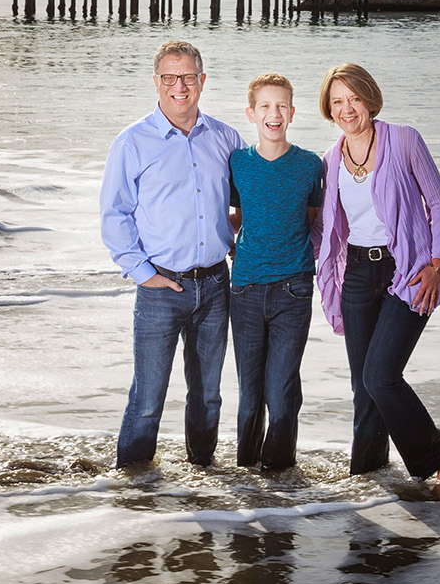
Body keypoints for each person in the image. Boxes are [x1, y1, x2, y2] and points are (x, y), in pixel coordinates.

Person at [314, 62, 440, 497]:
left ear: (370, 99)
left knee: (380, 376)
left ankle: (438, 454)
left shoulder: (404, 139)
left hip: (409, 269)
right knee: (364, 390)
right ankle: (366, 480)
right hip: (358, 273)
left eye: (354, 98)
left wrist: (437, 264)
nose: (347, 109)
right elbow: (324, 228)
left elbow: (438, 203)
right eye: (337, 101)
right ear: (328, 108)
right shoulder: (330, 160)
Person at [100, 40, 244, 471]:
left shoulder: (226, 138)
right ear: (156, 82)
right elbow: (115, 213)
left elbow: (249, 198)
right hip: (161, 287)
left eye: (187, 77)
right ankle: (132, 485)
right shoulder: (132, 142)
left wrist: (234, 233)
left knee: (208, 395)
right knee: (148, 397)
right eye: (169, 77)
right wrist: (141, 272)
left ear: (202, 80)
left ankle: (204, 478)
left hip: (216, 285)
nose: (179, 86)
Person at [226, 73, 325, 474]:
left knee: (282, 391)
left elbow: (311, 216)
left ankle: (280, 475)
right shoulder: (238, 163)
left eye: (282, 105)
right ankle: (246, 475)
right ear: (251, 114)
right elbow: (237, 214)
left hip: (293, 289)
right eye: (265, 106)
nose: (275, 113)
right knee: (250, 394)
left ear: (293, 112)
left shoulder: (309, 164)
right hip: (245, 289)